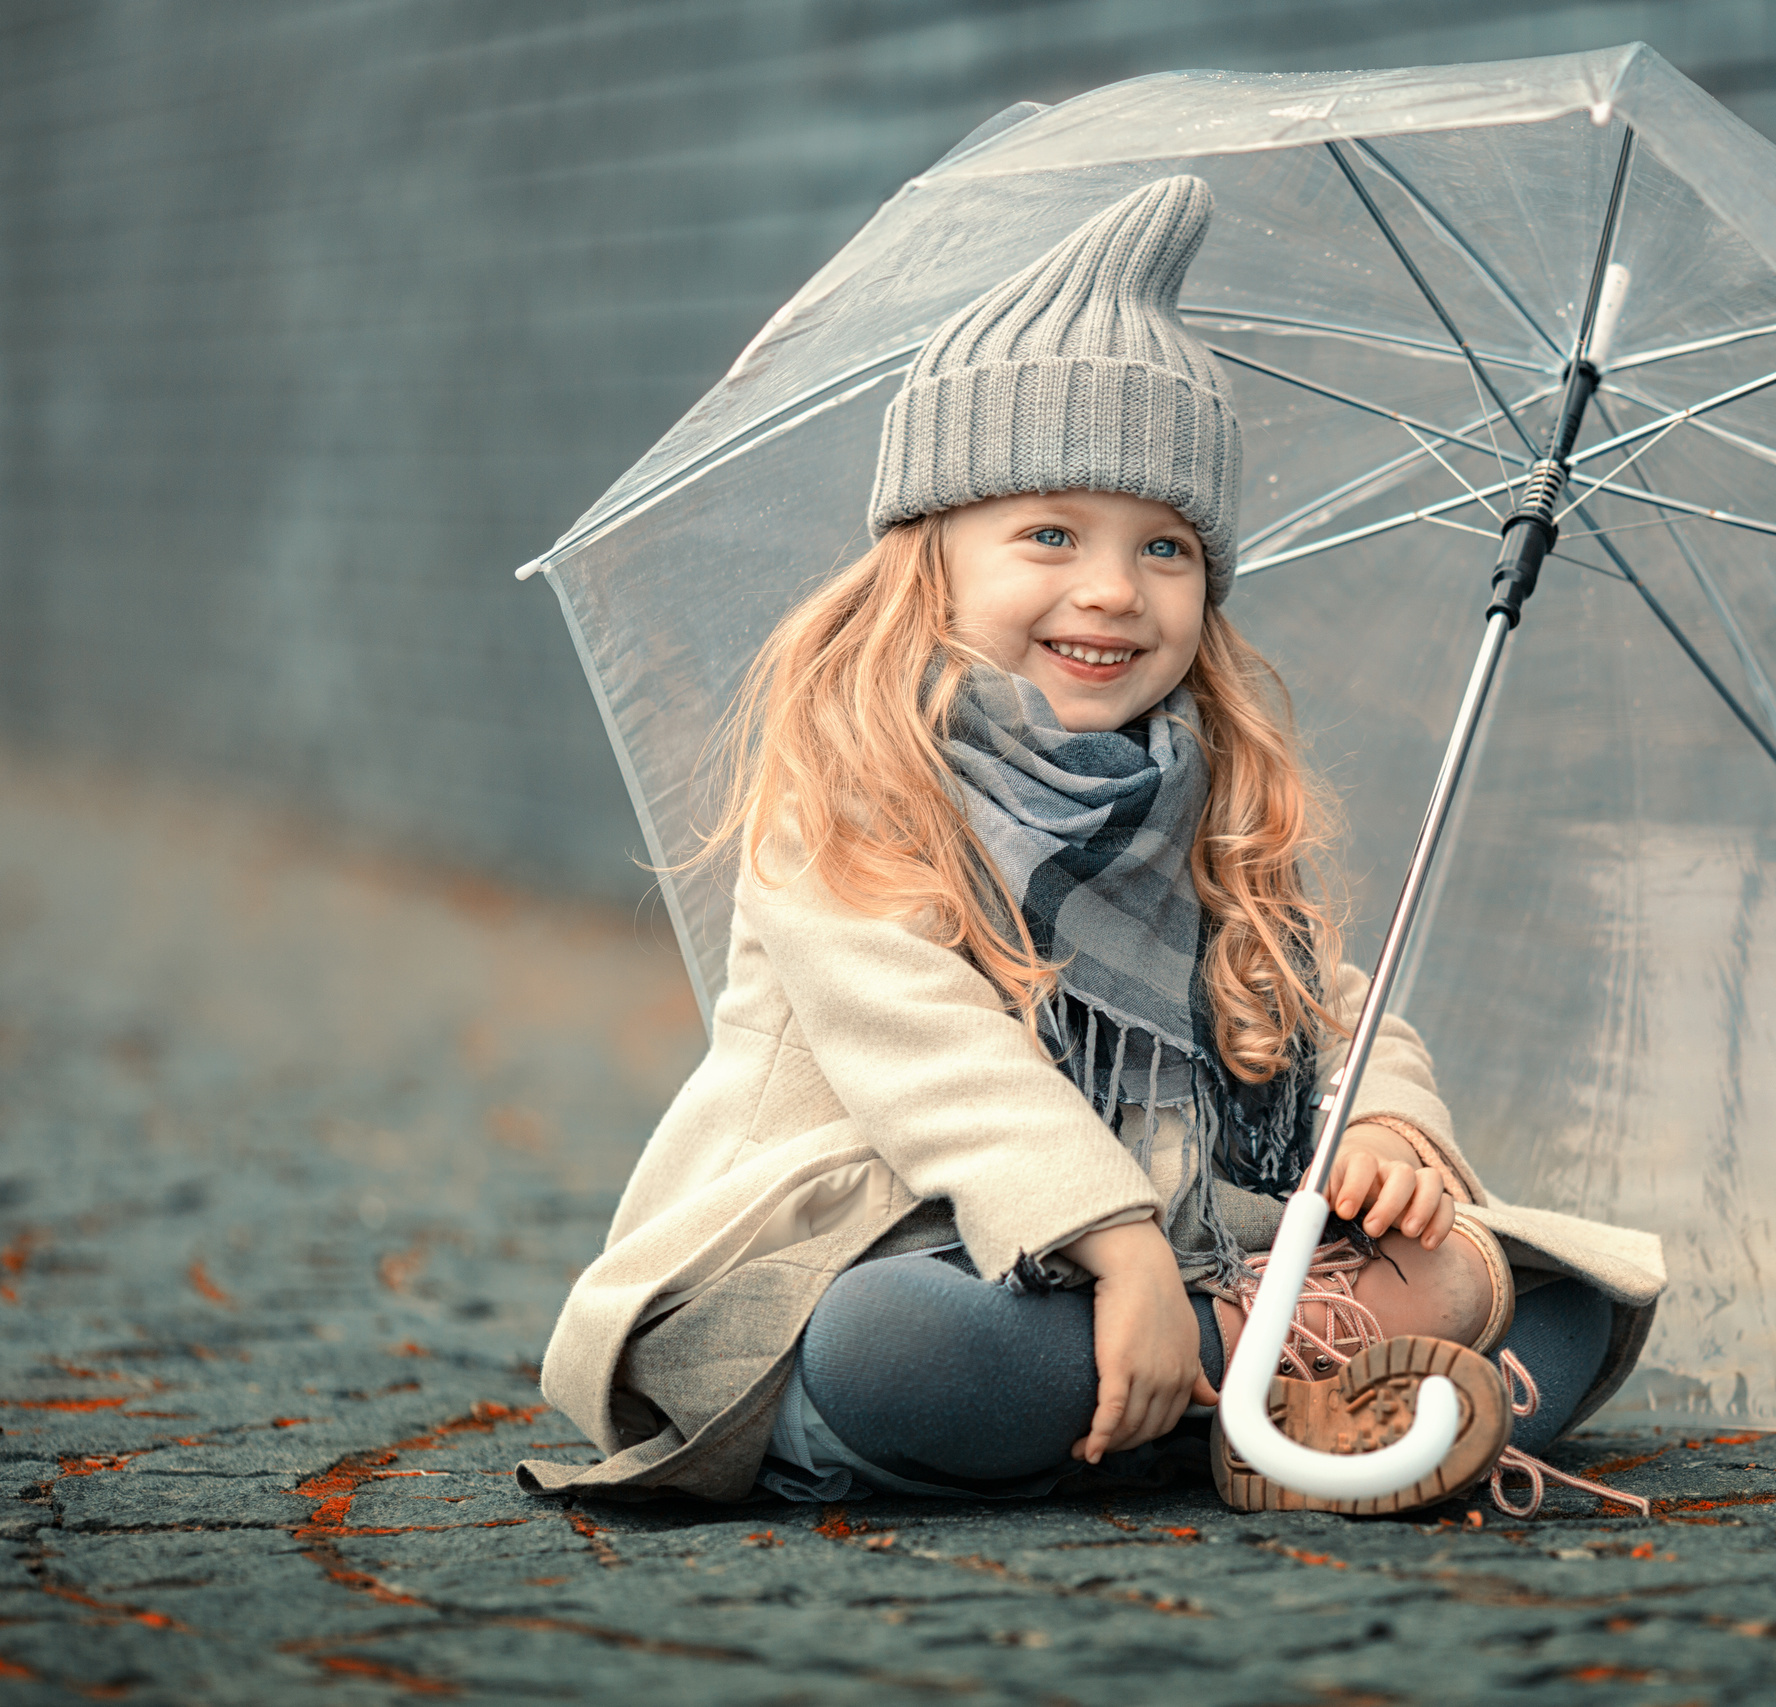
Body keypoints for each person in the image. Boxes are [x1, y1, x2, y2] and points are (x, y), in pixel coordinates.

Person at [518, 176, 1665, 1518]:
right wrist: (1113, 1245)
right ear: (928, 560)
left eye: (1165, 546)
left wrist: (1394, 1129)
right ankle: (1267, 1386)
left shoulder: (1209, 795)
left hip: (1185, 1262)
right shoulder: (848, 791)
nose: (1113, 588)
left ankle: (1211, 1380)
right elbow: (930, 1054)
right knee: (895, 1349)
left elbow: (1327, 1011)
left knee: (1556, 1291)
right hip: (914, 1247)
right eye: (1049, 534)